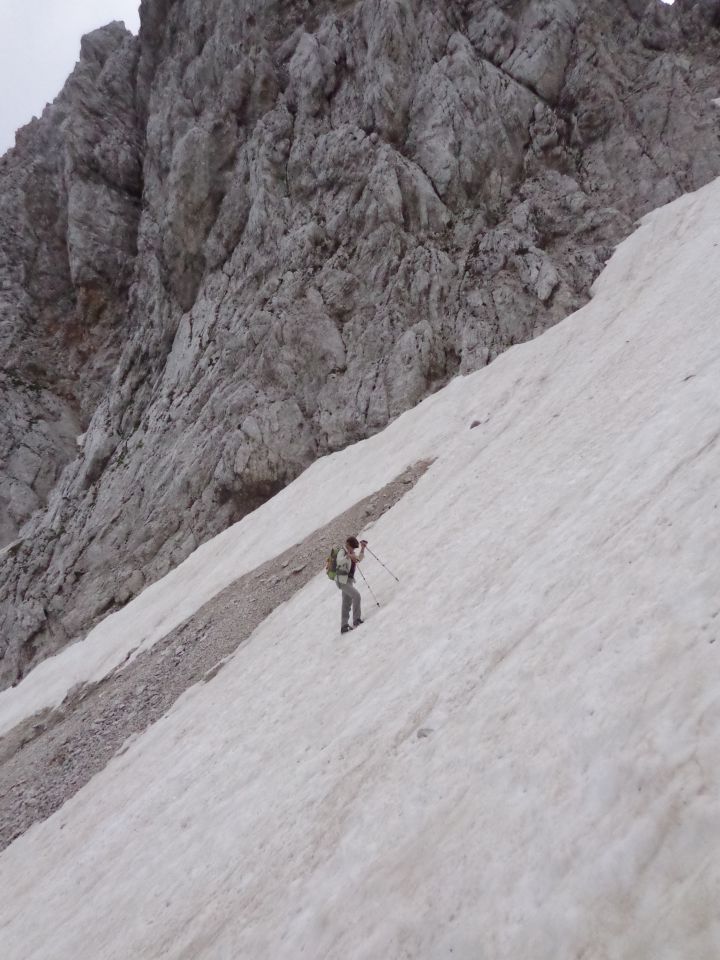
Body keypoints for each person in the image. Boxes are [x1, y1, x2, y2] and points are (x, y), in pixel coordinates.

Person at [336, 536, 367, 634]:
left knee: (346, 603)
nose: (353, 549)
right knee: (356, 595)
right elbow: (339, 561)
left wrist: (362, 548)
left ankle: (344, 626)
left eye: (354, 548)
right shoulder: (342, 551)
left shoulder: (350, 552)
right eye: (352, 547)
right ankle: (356, 619)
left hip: (348, 580)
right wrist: (348, 556)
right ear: (348, 544)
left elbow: (358, 559)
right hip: (342, 580)